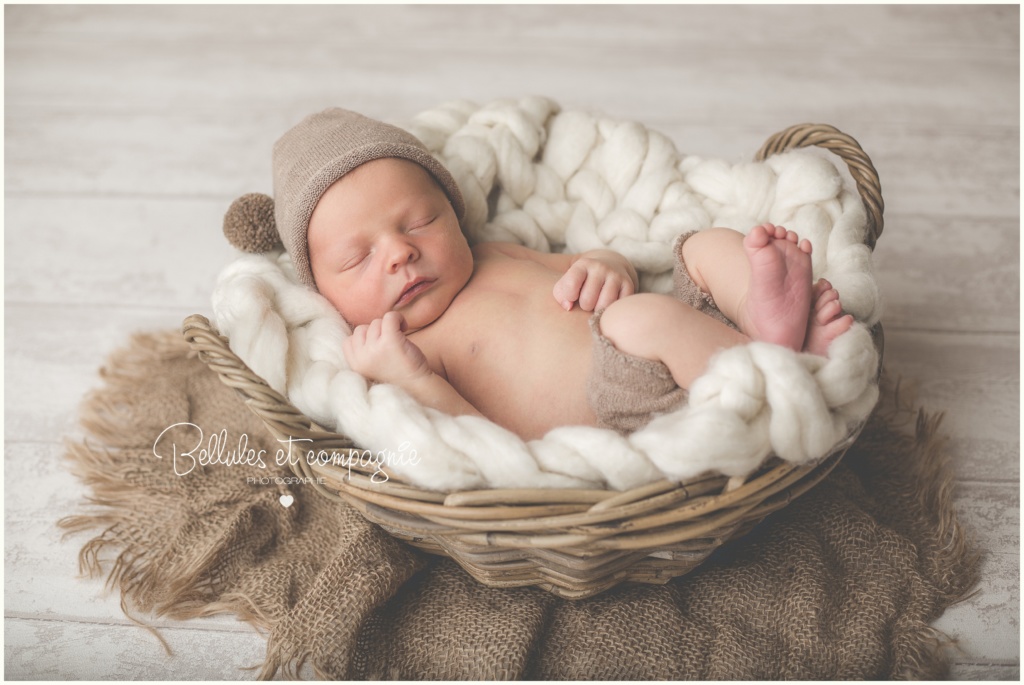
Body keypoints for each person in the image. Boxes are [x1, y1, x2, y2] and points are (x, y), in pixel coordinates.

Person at [224, 108, 854, 440]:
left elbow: (599, 270)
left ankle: (762, 313)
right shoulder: (406, 353)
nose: (399, 253)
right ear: (321, 293)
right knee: (639, 318)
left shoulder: (497, 253)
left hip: (674, 338)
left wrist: (607, 265)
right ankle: (774, 368)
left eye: (419, 222)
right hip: (623, 398)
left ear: (455, 212)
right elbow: (467, 443)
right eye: (357, 259)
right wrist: (406, 376)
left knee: (705, 245)